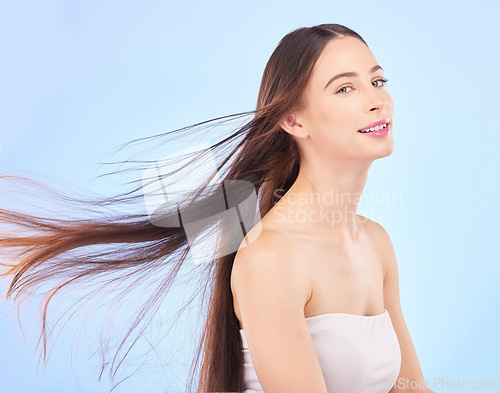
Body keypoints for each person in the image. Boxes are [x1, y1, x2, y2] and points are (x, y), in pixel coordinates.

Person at [0, 24, 434, 393]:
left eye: (378, 81)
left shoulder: (375, 243)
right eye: (345, 88)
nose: (377, 100)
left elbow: (410, 387)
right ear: (294, 121)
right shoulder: (271, 258)